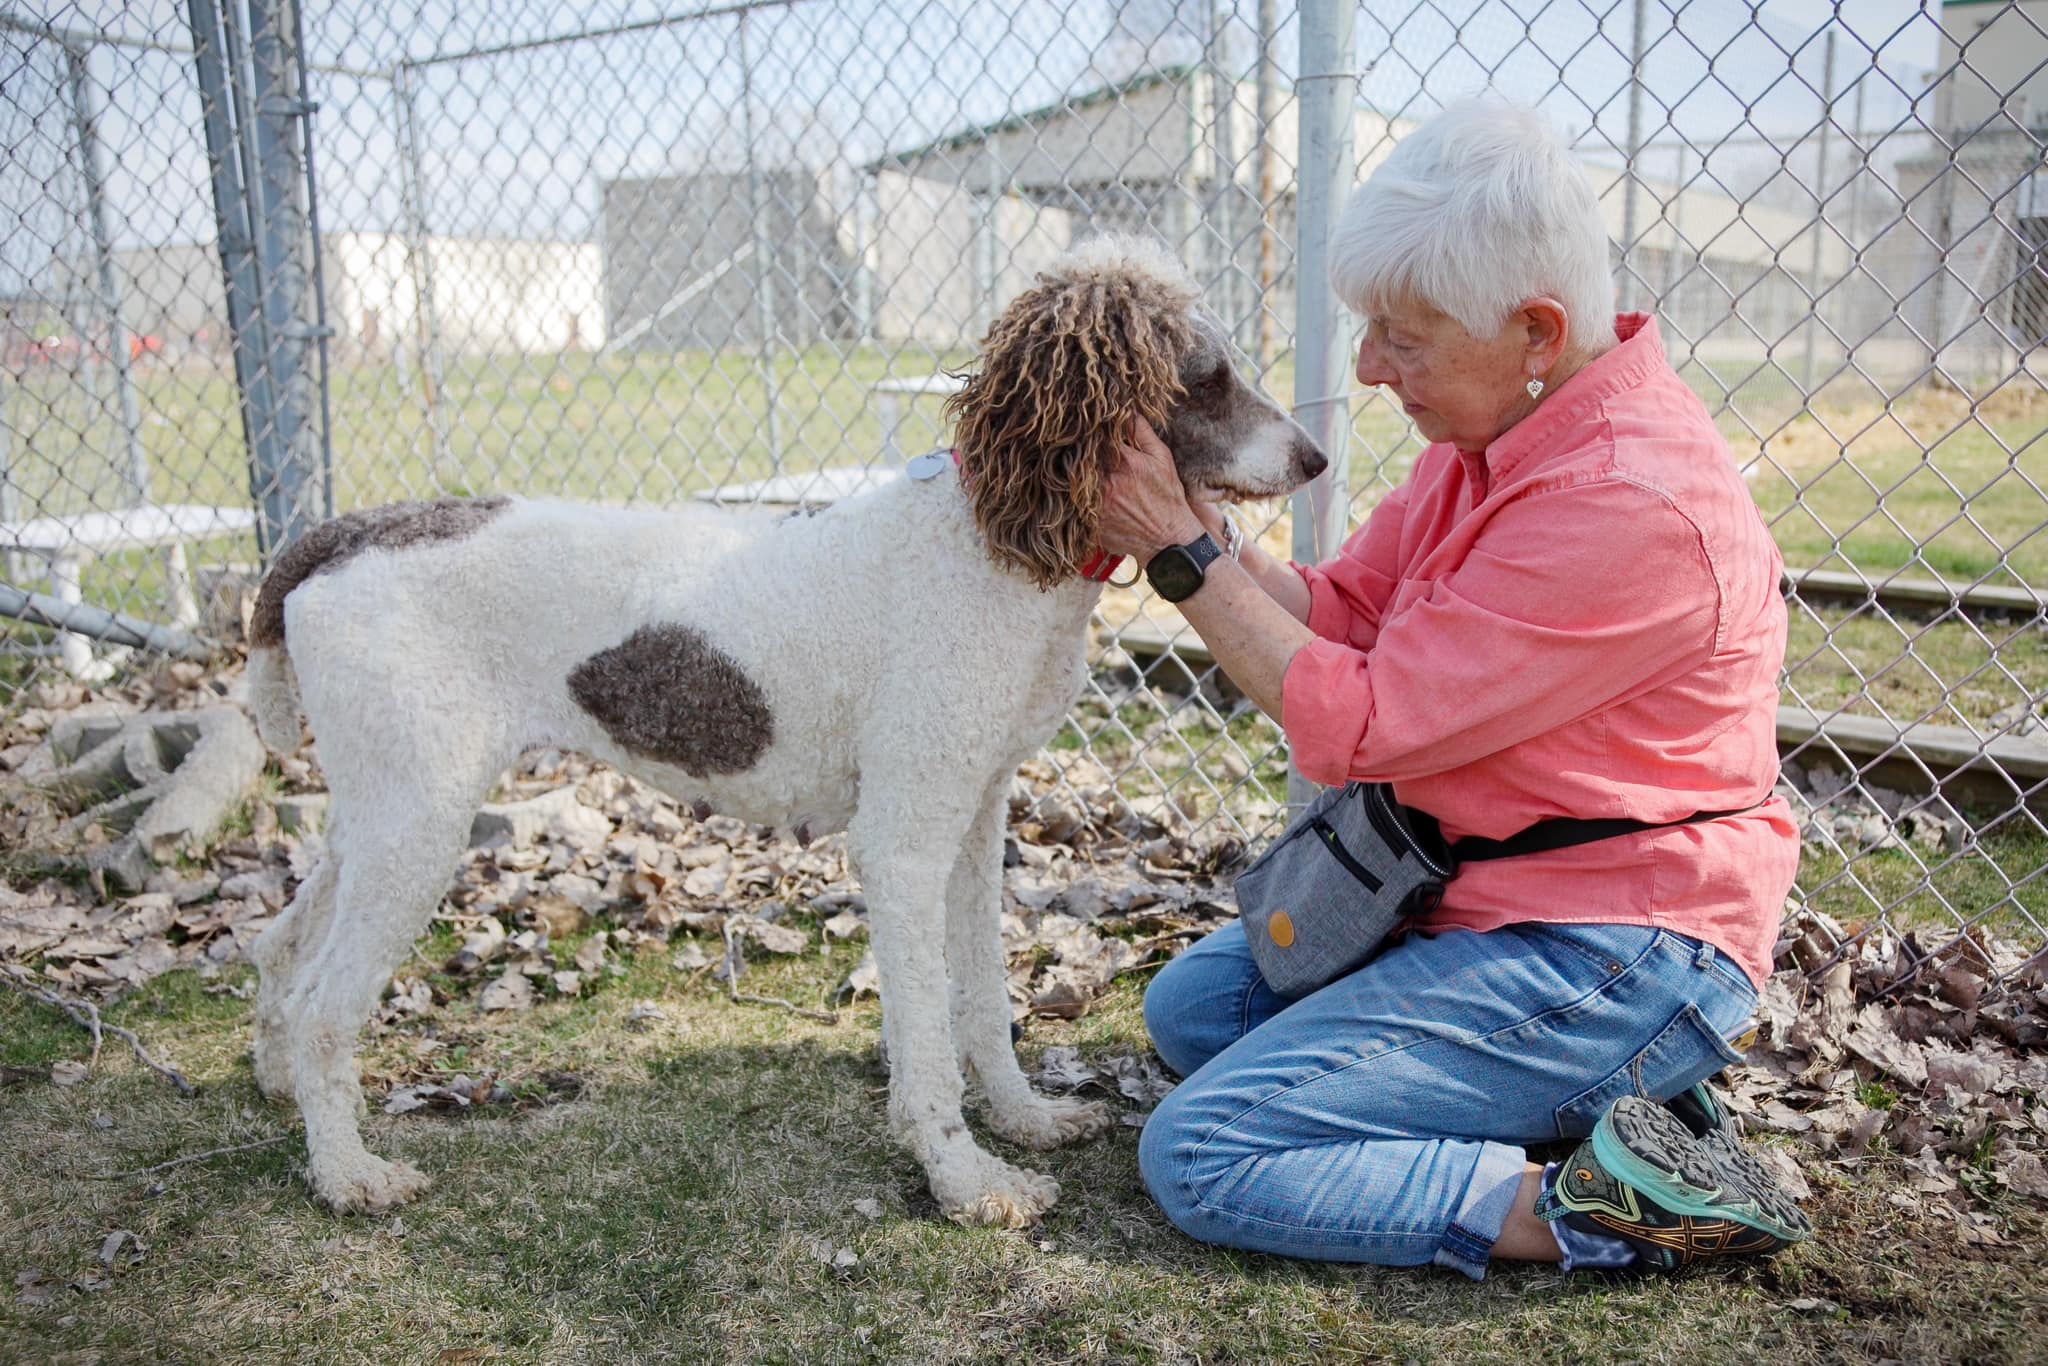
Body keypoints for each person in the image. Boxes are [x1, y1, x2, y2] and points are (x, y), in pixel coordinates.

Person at [1092, 98, 1814, 1277]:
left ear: (1535, 329)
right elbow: (1346, 616)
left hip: (1611, 941)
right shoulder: (1487, 447)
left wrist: (1182, 559)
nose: (1370, 368)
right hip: (1477, 889)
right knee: (1192, 1015)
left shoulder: (1626, 503)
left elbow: (1359, 723)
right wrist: (1215, 530)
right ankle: (1598, 1099)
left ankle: (1607, 1201)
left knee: (1206, 1148)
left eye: (1403, 337)